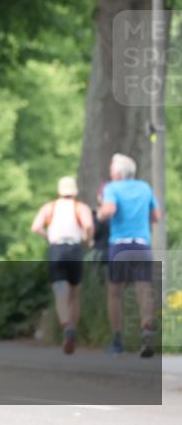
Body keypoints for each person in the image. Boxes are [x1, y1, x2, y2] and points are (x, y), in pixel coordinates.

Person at [97, 153, 161, 357]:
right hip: (142, 244)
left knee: (115, 293)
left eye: (111, 169)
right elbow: (156, 216)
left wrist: (100, 212)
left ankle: (117, 341)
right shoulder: (145, 187)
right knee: (144, 291)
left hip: (120, 246)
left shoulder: (112, 188)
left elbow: (109, 210)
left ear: (117, 173)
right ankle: (146, 331)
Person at [31, 176, 94, 354]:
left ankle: (66, 327)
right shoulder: (80, 208)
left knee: (60, 293)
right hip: (74, 250)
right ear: (74, 192)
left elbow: (35, 227)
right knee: (75, 294)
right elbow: (88, 226)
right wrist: (86, 240)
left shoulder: (48, 208)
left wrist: (49, 236)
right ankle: (72, 328)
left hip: (56, 250)